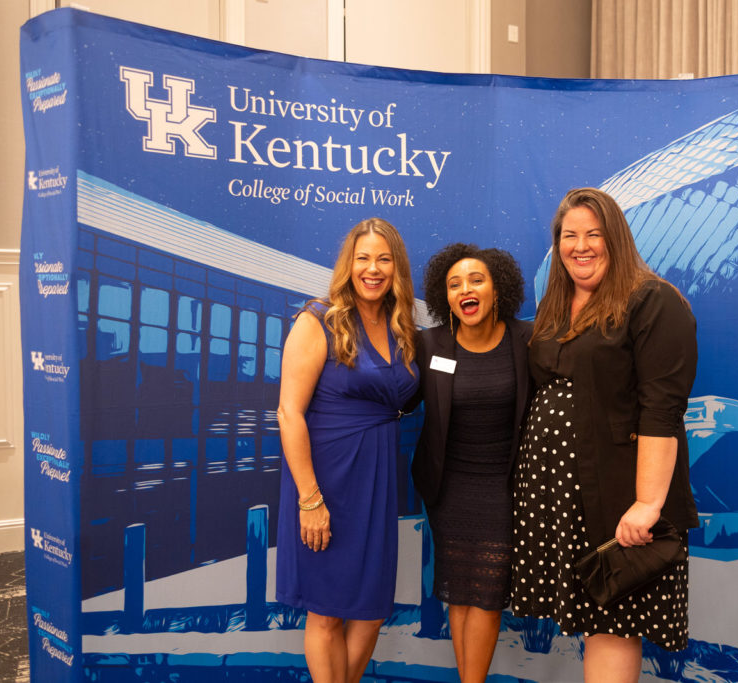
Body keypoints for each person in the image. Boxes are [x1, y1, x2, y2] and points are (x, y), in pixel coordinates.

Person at [510, 188, 698, 683]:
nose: (581, 245)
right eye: (570, 236)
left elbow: (662, 410)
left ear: (616, 238)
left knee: (615, 620)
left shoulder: (653, 301)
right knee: (594, 619)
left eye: (594, 234)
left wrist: (647, 504)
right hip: (558, 497)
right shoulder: (555, 304)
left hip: (617, 494)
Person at [275, 217, 419, 683]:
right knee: (327, 613)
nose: (372, 269)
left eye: (384, 259)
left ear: (397, 267)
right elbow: (288, 413)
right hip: (327, 481)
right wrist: (309, 498)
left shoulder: (401, 327)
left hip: (376, 482)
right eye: (363, 259)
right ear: (348, 265)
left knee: (371, 609)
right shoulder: (319, 318)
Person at [411, 243, 533, 683]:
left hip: (504, 489)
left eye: (476, 279)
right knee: (460, 593)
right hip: (448, 490)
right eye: (454, 283)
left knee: (485, 593)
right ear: (446, 297)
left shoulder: (527, 340)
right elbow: (396, 394)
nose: (466, 289)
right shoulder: (430, 344)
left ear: (497, 288)